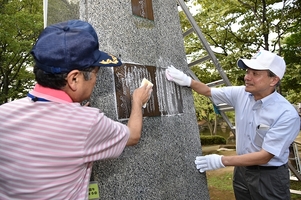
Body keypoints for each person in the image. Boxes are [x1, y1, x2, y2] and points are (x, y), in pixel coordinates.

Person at [0, 20, 153, 199]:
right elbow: (132, 135)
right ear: (74, 79)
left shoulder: (4, 112)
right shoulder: (86, 123)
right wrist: (137, 101)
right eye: (96, 73)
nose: (95, 80)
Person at [165, 49, 300, 200]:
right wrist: (187, 81)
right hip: (242, 171)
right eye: (247, 71)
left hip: (269, 176)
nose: (247, 77)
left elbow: (264, 157)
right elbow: (209, 91)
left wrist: (221, 160)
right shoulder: (241, 93)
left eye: (255, 74)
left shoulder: (286, 114)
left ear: (273, 80)